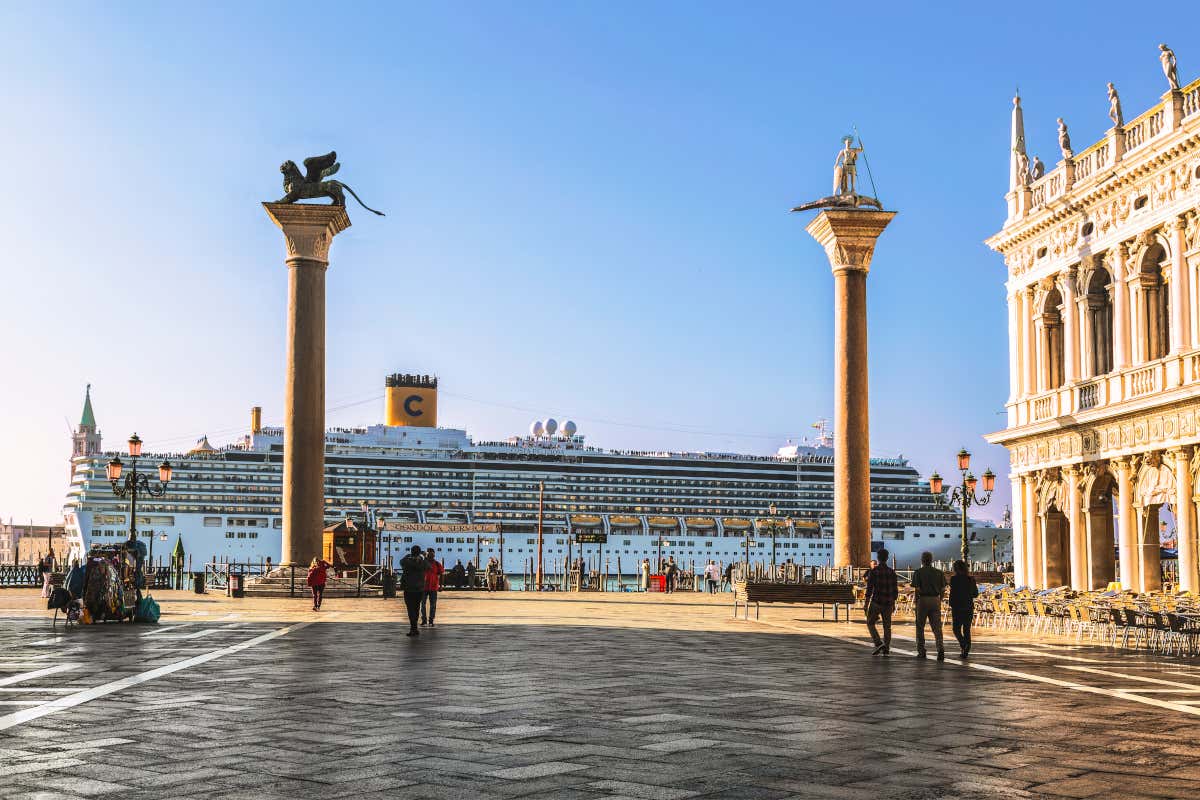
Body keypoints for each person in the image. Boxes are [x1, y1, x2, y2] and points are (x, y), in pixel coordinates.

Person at [911, 551, 947, 660]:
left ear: (922, 560)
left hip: (923, 599)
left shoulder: (918, 572)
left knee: (920, 626)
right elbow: (943, 589)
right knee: (937, 627)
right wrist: (938, 599)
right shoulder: (939, 572)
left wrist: (917, 602)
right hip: (935, 599)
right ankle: (940, 649)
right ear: (931, 560)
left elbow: (917, 589)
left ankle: (921, 651)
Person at [864, 548, 898, 655]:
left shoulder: (874, 571)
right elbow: (895, 591)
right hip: (888, 603)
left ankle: (878, 643)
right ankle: (886, 648)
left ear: (878, 558)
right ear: (887, 558)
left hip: (876, 602)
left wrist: (866, 603)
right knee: (887, 626)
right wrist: (893, 603)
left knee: (870, 622)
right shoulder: (892, 572)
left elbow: (869, 588)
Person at [949, 560, 979, 658]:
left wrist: (951, 603)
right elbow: (975, 594)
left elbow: (952, 593)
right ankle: (966, 650)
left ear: (956, 569)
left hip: (957, 607)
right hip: (968, 607)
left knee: (956, 629)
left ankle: (963, 644)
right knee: (966, 629)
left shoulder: (954, 579)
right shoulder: (971, 579)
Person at [400, 545, 427, 636]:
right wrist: (423, 557)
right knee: (416, 608)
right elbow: (429, 567)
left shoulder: (407, 561)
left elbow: (401, 562)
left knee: (410, 609)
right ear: (419, 552)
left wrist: (408, 556)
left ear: (412, 552)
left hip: (409, 588)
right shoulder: (422, 562)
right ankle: (415, 628)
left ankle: (413, 628)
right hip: (419, 589)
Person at [421, 548, 444, 626]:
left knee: (433, 604)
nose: (431, 556)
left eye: (432, 554)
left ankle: (431, 620)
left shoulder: (437, 564)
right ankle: (424, 619)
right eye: (429, 554)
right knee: (422, 604)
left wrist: (441, 586)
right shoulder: (423, 563)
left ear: (434, 555)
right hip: (423, 587)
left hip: (434, 587)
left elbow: (441, 574)